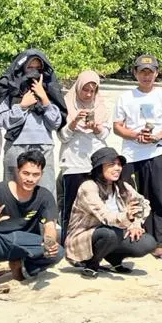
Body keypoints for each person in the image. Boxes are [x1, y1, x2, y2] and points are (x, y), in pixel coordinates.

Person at [0, 149, 63, 296]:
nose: (30, 179)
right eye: (26, 173)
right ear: (17, 171)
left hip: (23, 241)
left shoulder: (44, 195)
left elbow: (50, 225)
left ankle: (25, 269)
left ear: (41, 175)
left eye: (35, 174)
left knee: (57, 253)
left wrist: (49, 242)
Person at [112, 54, 162, 259]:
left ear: (157, 73)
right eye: (142, 72)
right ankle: (128, 235)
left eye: (150, 72)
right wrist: (134, 135)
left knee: (158, 196)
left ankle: (159, 242)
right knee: (128, 196)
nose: (146, 76)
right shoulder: (126, 97)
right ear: (135, 73)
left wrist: (157, 136)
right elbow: (117, 126)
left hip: (156, 151)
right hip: (131, 153)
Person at [64, 146, 156, 276]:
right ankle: (92, 263)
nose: (117, 168)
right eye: (112, 164)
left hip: (114, 231)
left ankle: (114, 259)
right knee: (109, 234)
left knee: (148, 243)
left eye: (119, 164)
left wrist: (135, 223)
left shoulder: (122, 186)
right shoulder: (88, 187)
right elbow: (106, 217)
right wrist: (126, 216)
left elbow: (143, 203)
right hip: (86, 236)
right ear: (99, 167)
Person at [0, 49, 67, 183]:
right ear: (22, 68)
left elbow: (56, 123)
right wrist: (22, 106)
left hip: (44, 148)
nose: (34, 72)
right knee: (13, 195)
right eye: (30, 67)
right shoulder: (10, 89)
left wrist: (44, 99)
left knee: (44, 196)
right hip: (16, 147)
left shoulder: (49, 90)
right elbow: (1, 121)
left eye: (38, 68)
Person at [58, 70, 112, 230]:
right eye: (85, 89)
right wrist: (74, 122)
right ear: (78, 87)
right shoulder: (66, 105)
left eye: (92, 91)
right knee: (71, 205)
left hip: (95, 163)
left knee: (97, 205)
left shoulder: (100, 106)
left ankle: (93, 241)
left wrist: (96, 127)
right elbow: (62, 137)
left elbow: (105, 134)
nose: (88, 94)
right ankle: (67, 241)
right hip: (73, 163)